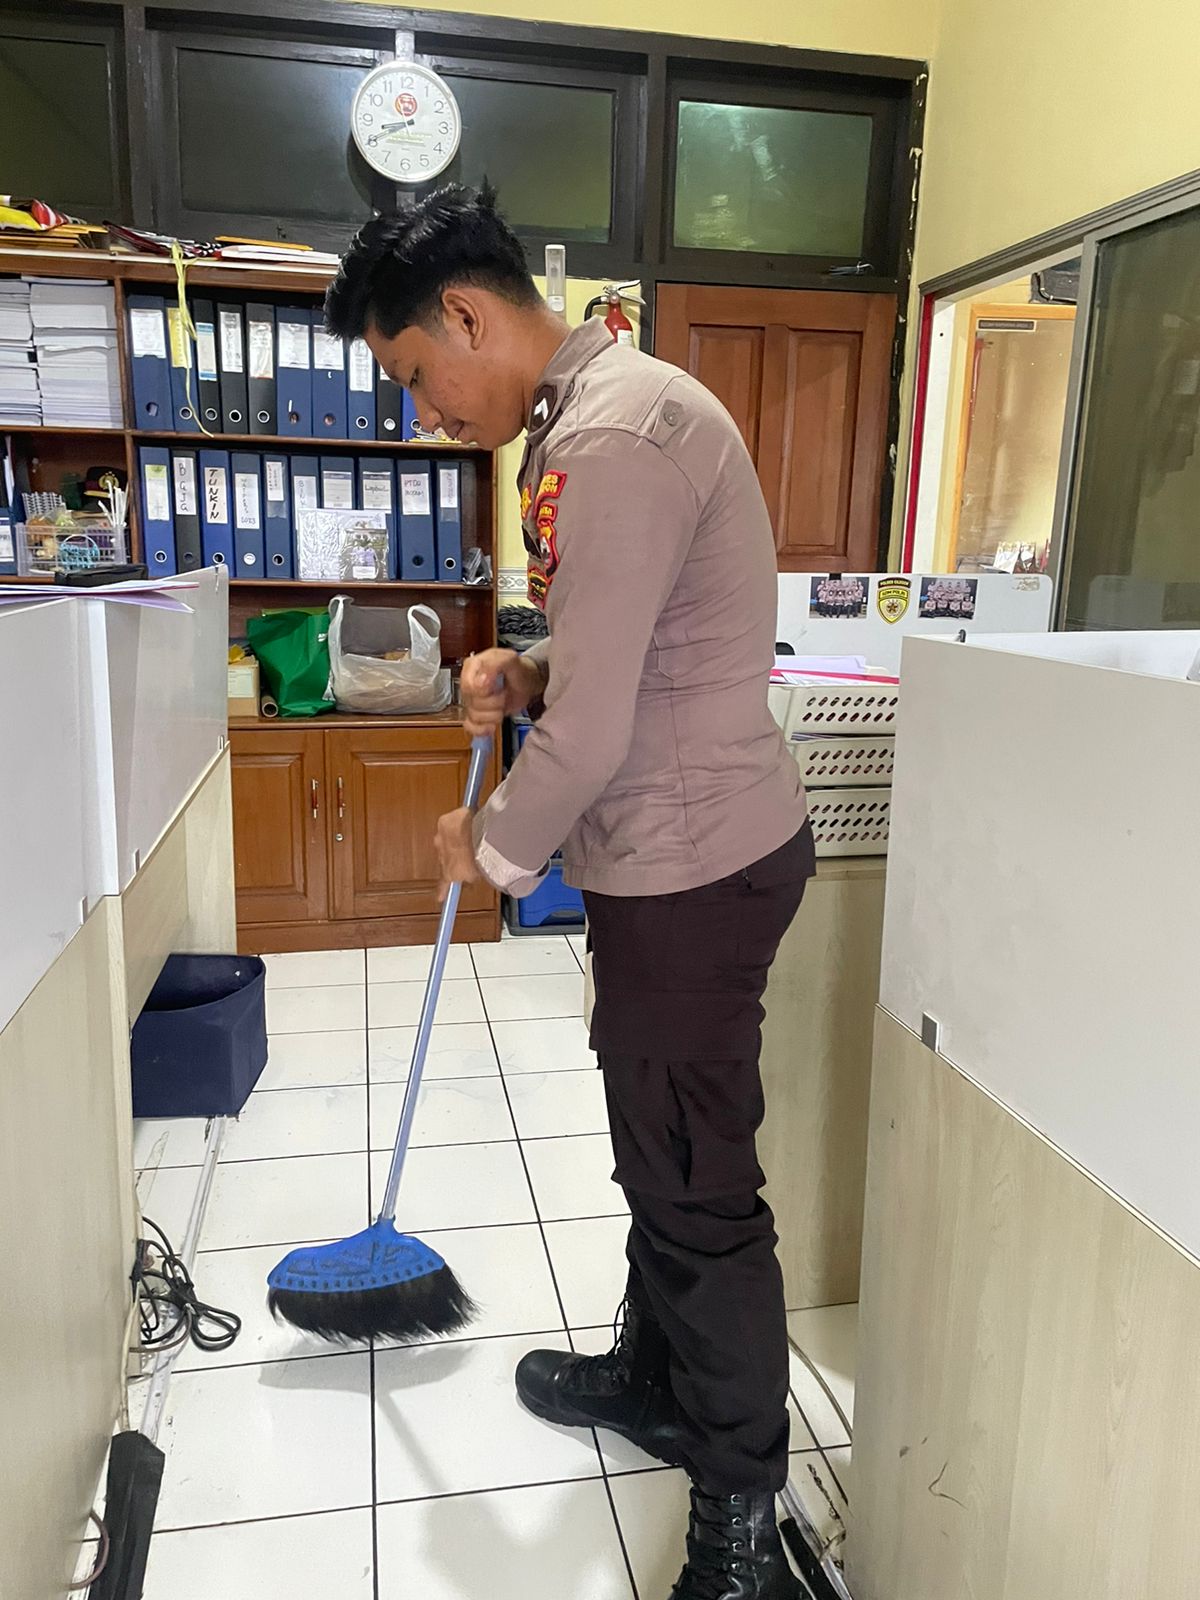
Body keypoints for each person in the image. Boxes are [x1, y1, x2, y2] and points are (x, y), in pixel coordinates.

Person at [327, 184, 814, 1600]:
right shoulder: (595, 413)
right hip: (673, 860)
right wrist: (526, 671)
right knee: (658, 1148)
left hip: (693, 868)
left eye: (416, 375)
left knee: (699, 1189)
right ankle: (657, 1378)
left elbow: (598, 737)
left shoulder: (614, 434)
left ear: (465, 315)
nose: (425, 413)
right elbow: (624, 666)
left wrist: (485, 849)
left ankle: (740, 1524)